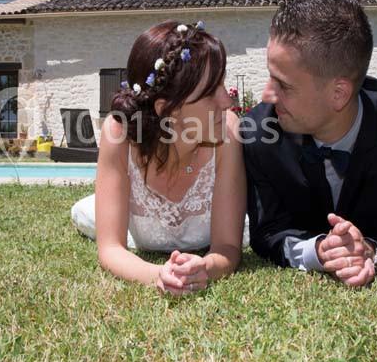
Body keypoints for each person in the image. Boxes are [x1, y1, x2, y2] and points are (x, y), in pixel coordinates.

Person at [242, 0, 377, 287]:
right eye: (271, 76)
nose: (268, 95)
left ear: (339, 93)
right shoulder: (257, 132)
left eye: (283, 84)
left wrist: (372, 254)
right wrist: (318, 251)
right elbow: (268, 232)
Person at [71, 20, 246, 295]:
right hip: (134, 230)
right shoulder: (118, 135)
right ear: (168, 109)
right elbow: (110, 248)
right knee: (88, 214)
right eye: (211, 92)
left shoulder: (228, 131)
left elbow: (228, 246)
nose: (227, 101)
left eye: (222, 85)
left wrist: (206, 267)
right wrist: (158, 275)